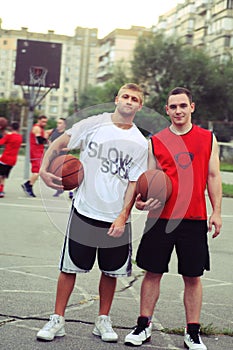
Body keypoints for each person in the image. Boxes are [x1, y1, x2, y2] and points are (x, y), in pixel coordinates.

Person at [37, 83, 148, 343]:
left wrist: (123, 215)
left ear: (140, 106)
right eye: (125, 96)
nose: (129, 101)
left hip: (115, 217)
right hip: (84, 209)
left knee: (110, 273)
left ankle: (103, 320)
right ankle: (57, 319)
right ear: (116, 98)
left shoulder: (140, 142)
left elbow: (134, 182)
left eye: (135, 99)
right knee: (68, 268)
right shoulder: (94, 124)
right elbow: (61, 142)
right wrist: (43, 167)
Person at [124, 87, 222, 349]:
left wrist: (217, 212)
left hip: (193, 218)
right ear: (167, 110)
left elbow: (213, 177)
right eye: (173, 107)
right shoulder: (155, 141)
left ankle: (192, 331)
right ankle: (143, 325)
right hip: (161, 219)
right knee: (152, 272)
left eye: (182, 105)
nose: (178, 110)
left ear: (192, 107)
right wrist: (142, 202)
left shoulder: (207, 138)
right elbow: (149, 181)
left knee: (192, 276)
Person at [21, 115, 48, 197]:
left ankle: (28, 184)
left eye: (45, 122)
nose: (44, 123)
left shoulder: (40, 128)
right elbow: (40, 141)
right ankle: (28, 185)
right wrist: (46, 137)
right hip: (35, 153)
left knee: (38, 171)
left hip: (38, 152)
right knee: (37, 172)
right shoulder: (37, 128)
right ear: (38, 120)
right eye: (43, 121)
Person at [0, 121, 23, 198]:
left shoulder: (9, 136)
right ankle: (1, 190)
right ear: (19, 128)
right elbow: (11, 138)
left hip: (5, 158)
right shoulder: (20, 137)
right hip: (13, 160)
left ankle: (1, 191)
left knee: (1, 175)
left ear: (11, 127)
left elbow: (1, 142)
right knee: (3, 176)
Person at [47, 117, 67, 197]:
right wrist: (49, 144)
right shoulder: (53, 131)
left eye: (60, 123)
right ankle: (60, 189)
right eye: (57, 123)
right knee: (54, 173)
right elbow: (46, 134)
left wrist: (59, 148)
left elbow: (70, 147)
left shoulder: (66, 135)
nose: (58, 125)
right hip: (54, 156)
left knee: (63, 174)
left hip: (62, 156)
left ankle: (68, 191)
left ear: (65, 125)